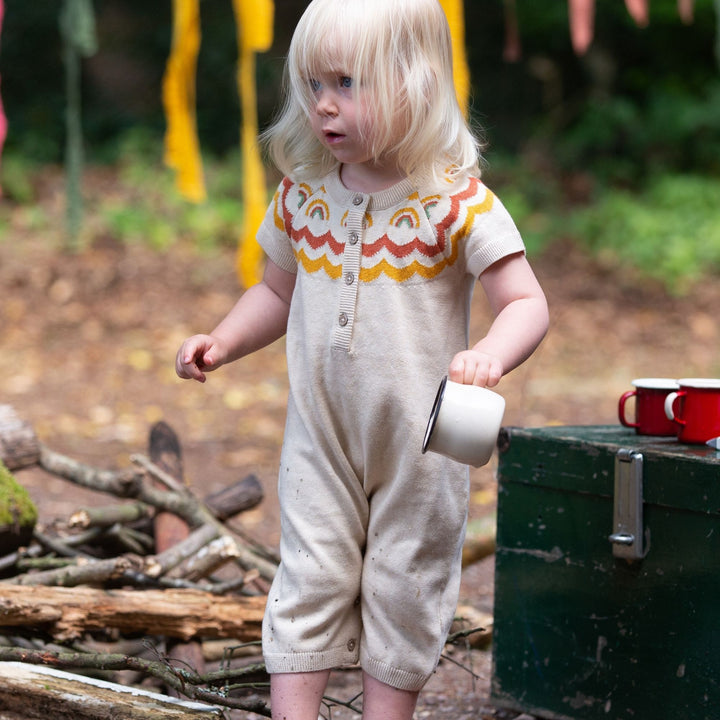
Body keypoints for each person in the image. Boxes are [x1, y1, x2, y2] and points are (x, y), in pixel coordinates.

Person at [175, 0, 549, 717]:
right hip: (320, 438)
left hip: (423, 445)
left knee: (403, 583)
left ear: (414, 82)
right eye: (314, 85)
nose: (324, 106)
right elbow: (274, 292)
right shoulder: (302, 197)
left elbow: (527, 302)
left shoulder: (454, 204)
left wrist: (489, 356)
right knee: (308, 574)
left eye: (347, 83)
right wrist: (222, 341)